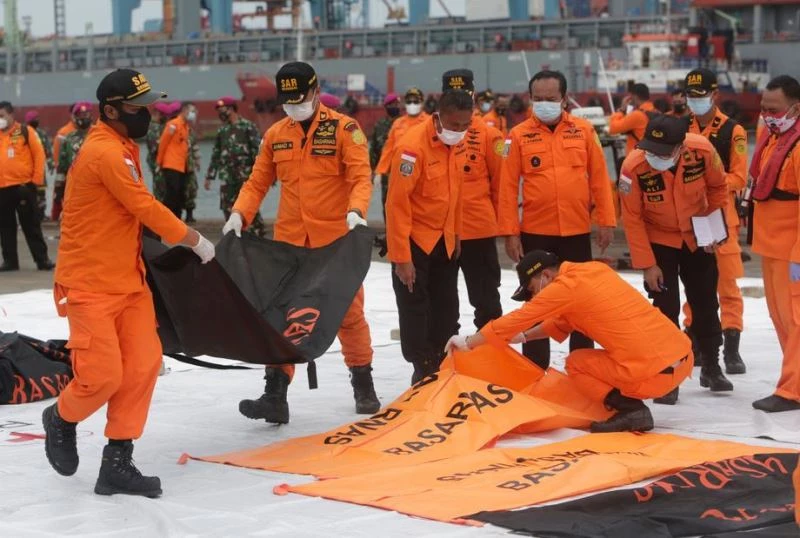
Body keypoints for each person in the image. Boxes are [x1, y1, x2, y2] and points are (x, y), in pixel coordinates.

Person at [41, 68, 215, 497]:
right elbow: (145, 207)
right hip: (89, 284)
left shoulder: (122, 146)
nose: (148, 115)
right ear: (111, 110)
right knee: (101, 377)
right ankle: (61, 419)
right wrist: (194, 240)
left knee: (142, 366)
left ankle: (117, 461)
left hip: (128, 282)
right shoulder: (104, 152)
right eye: (140, 108)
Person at [224, 61, 380, 423]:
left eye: (300, 98)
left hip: (335, 243)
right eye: (287, 100)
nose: (294, 105)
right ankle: (275, 395)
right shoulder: (277, 133)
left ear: (315, 90)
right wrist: (239, 214)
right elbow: (258, 182)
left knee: (348, 314)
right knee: (282, 317)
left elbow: (360, 176)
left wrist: (357, 211)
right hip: (290, 243)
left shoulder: (345, 129)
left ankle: (363, 383)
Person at [445, 250, 692, 433]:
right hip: (682, 360)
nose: (533, 296)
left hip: (654, 374)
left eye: (532, 289)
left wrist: (469, 341)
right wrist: (525, 336)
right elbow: (563, 323)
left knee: (576, 363)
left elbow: (519, 318)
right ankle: (631, 406)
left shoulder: (564, 288)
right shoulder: (593, 271)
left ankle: (632, 410)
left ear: (546, 275)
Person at [499, 69, 616, 369]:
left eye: (550, 99)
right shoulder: (518, 135)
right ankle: (534, 373)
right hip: (536, 234)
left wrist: (606, 221)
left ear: (564, 99)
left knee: (580, 305)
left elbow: (600, 180)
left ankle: (582, 370)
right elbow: (507, 188)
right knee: (536, 306)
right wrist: (510, 233)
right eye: (537, 99)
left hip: (576, 233)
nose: (544, 104)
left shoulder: (584, 131)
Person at [619, 114, 732, 402]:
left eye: (662, 151)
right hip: (659, 240)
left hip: (698, 236)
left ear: (680, 147)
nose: (654, 156)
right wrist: (648, 265)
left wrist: (715, 229)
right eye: (650, 149)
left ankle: (711, 365)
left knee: (705, 301)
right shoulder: (633, 167)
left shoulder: (703, 151)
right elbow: (632, 219)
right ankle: (669, 374)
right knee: (664, 308)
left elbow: (719, 188)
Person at [386, 83, 473, 384]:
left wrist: (458, 235)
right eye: (454, 124)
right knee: (415, 309)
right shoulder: (412, 148)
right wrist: (401, 258)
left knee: (447, 307)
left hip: (445, 241)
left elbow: (456, 193)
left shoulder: (459, 143)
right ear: (438, 117)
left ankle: (442, 358)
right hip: (415, 241)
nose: (460, 130)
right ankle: (422, 365)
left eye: (465, 124)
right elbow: (396, 204)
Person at [682, 68, 748, 375]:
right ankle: (693, 335)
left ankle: (731, 345)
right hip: (691, 219)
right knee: (695, 283)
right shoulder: (680, 127)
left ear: (714, 95)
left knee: (728, 283)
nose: (695, 102)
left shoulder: (732, 131)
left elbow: (739, 176)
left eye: (701, 96)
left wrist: (713, 183)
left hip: (721, 218)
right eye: (690, 97)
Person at [748, 75, 800, 413]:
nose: (767, 115)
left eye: (774, 109)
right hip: (768, 245)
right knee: (780, 318)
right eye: (764, 108)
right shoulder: (772, 136)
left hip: (791, 248)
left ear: (795, 108)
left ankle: (792, 390)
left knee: (796, 321)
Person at [444, 70, 506, 330]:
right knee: (442, 302)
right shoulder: (429, 136)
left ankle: (491, 350)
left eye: (465, 94)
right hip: (441, 232)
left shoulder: (489, 136)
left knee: (486, 300)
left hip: (477, 231)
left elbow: (501, 187)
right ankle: (442, 357)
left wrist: (507, 231)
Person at [0, 101, 55, 271]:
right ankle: (10, 261)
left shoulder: (25, 131)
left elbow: (39, 156)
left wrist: (35, 182)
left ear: (10, 115)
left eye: (1, 116)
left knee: (31, 225)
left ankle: (42, 260)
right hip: (2, 188)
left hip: (23, 187)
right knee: (5, 227)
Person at [204, 96, 266, 238]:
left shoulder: (248, 127)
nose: (220, 113)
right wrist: (209, 176)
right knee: (227, 207)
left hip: (245, 176)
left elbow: (258, 152)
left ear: (231, 109)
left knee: (249, 207)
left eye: (222, 110)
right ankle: (234, 237)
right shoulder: (222, 131)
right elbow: (216, 155)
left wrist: (262, 175)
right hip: (227, 177)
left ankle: (258, 237)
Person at [375, 88, 428, 182]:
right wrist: (380, 171)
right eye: (409, 101)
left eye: (416, 101)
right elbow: (389, 149)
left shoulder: (430, 123)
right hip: (400, 173)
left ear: (422, 103)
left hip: (423, 173)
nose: (412, 104)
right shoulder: (398, 123)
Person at [156, 101, 195, 217]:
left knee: (179, 194)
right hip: (171, 165)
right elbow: (163, 143)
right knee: (171, 194)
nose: (193, 114)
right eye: (191, 111)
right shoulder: (173, 124)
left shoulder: (185, 127)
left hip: (181, 166)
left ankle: (176, 218)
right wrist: (159, 162)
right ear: (184, 111)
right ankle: (163, 217)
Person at [370, 93, 400, 222]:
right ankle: (389, 235)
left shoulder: (406, 123)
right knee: (386, 205)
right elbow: (374, 150)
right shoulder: (379, 125)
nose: (395, 107)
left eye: (396, 104)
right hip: (386, 175)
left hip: (403, 173)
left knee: (403, 206)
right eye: (392, 105)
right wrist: (372, 171)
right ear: (386, 107)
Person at [55, 102, 94, 199]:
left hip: (96, 184)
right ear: (74, 117)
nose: (83, 118)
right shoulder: (68, 138)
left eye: (86, 115)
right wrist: (59, 188)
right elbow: (62, 166)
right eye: (80, 115)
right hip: (74, 187)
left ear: (91, 116)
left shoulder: (100, 135)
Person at [609, 82, 657, 154]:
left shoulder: (637, 115)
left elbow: (612, 128)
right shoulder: (655, 111)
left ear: (635, 96)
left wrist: (622, 110)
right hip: (651, 155)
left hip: (636, 157)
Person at [51, 104, 79, 221]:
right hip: (65, 172)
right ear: (71, 115)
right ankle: (56, 217)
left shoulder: (91, 130)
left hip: (83, 174)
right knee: (60, 196)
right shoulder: (64, 132)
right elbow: (57, 153)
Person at [25, 110, 54, 221]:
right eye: (33, 120)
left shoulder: (42, 134)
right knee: (28, 193)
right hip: (26, 170)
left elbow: (48, 150)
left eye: (37, 119)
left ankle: (41, 215)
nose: (36, 121)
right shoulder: (23, 133)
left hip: (40, 170)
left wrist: (51, 164)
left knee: (41, 193)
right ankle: (29, 215)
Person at [145, 102, 170, 201]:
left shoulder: (162, 126)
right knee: (160, 189)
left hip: (164, 164)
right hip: (157, 164)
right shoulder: (153, 128)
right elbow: (155, 148)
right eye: (163, 114)